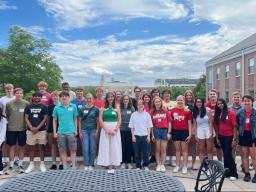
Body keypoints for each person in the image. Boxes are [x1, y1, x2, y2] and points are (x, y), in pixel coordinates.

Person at [97, 92, 122, 173]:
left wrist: (115, 129)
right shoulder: (103, 108)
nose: (110, 98)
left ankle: (114, 163)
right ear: (106, 98)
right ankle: (106, 163)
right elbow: (100, 119)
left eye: (112, 97)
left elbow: (119, 120)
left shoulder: (117, 107)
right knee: (106, 146)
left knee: (114, 146)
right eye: (109, 97)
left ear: (114, 98)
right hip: (105, 130)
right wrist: (106, 129)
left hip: (115, 130)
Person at [53, 91, 78, 170]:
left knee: (73, 150)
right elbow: (54, 120)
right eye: (62, 96)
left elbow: (75, 119)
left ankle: (73, 166)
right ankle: (64, 166)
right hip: (61, 132)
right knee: (62, 150)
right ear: (60, 98)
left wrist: (76, 129)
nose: (64, 97)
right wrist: (54, 132)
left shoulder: (73, 106)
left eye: (66, 96)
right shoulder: (57, 107)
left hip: (71, 132)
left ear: (69, 97)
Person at [214, 98, 238, 181]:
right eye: (218, 104)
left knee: (228, 154)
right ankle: (227, 172)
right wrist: (217, 138)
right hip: (221, 136)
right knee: (225, 154)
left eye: (221, 103)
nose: (220, 105)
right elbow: (216, 127)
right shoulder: (217, 114)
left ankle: (234, 173)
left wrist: (234, 139)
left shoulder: (231, 113)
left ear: (224, 103)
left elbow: (234, 126)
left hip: (229, 136)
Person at [24, 92, 48, 173]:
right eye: (35, 96)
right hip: (30, 131)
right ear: (33, 97)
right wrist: (31, 128)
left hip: (41, 131)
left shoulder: (44, 107)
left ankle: (42, 164)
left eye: (39, 96)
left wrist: (37, 128)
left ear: (41, 98)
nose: (37, 97)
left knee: (42, 148)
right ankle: (31, 164)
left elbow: (45, 118)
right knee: (31, 148)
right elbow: (26, 118)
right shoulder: (28, 106)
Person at [5, 88, 28, 173]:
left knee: (22, 146)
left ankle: (20, 165)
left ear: (23, 94)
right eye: (17, 93)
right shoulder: (9, 104)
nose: (19, 94)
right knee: (12, 146)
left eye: (20, 93)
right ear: (15, 94)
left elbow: (27, 116)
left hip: (22, 129)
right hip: (11, 128)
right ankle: (11, 166)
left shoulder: (26, 103)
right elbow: (7, 115)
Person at [170, 95, 192, 174]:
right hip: (175, 131)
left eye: (181, 100)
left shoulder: (187, 111)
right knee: (177, 150)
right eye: (178, 100)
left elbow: (190, 124)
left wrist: (190, 134)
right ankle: (177, 165)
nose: (179, 101)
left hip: (184, 132)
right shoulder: (173, 110)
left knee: (184, 150)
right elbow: (171, 121)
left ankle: (185, 166)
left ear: (184, 101)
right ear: (176, 101)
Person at [237, 95, 256, 183]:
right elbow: (237, 124)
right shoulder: (240, 112)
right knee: (244, 156)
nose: (246, 102)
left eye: (248, 101)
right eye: (245, 101)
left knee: (254, 157)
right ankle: (247, 173)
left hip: (253, 136)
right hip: (243, 135)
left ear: (252, 102)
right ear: (243, 102)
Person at [129, 99, 152, 170]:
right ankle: (138, 166)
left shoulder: (147, 114)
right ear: (137, 105)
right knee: (137, 152)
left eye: (141, 104)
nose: (140, 105)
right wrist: (133, 136)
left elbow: (149, 126)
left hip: (145, 136)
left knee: (146, 152)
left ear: (143, 105)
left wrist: (148, 136)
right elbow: (132, 127)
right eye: (139, 104)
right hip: (136, 136)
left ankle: (145, 165)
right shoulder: (133, 115)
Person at [78, 93, 99, 170]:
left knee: (93, 147)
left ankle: (91, 163)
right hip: (84, 130)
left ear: (92, 99)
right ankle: (86, 164)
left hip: (93, 130)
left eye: (90, 98)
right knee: (85, 147)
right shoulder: (82, 109)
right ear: (85, 99)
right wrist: (80, 131)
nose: (89, 100)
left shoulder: (96, 109)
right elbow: (79, 121)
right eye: (87, 98)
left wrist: (97, 131)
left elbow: (98, 121)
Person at [151, 97, 171, 172]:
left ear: (161, 102)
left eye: (159, 102)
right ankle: (158, 164)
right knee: (157, 149)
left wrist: (169, 132)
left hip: (164, 130)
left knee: (163, 149)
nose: (157, 103)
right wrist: (152, 134)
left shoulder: (166, 111)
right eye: (156, 102)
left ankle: (162, 164)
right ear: (154, 103)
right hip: (156, 130)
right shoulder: (152, 112)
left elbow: (169, 122)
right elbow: (151, 125)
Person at [193, 97, 213, 163]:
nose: (199, 103)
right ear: (195, 103)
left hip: (208, 129)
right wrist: (195, 135)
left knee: (209, 150)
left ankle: (210, 166)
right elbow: (195, 125)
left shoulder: (208, 110)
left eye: (200, 102)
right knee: (201, 150)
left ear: (203, 103)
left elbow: (210, 122)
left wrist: (210, 133)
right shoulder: (194, 112)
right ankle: (202, 166)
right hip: (200, 130)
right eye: (197, 102)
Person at [205, 89, 222, 161]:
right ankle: (209, 163)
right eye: (211, 94)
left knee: (219, 146)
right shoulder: (206, 105)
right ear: (209, 96)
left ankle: (220, 162)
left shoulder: (220, 105)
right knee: (209, 147)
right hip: (208, 128)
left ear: (217, 96)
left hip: (219, 128)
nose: (212, 95)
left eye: (214, 94)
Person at [0, 84, 15, 168]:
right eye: (7, 89)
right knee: (3, 141)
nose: (9, 90)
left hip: (14, 122)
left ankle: (14, 159)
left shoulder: (16, 98)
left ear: (13, 89)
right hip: (4, 120)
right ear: (5, 90)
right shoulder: (2, 99)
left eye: (10, 89)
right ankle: (4, 159)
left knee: (14, 141)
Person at [47, 91, 62, 170]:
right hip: (51, 129)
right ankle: (53, 163)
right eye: (53, 96)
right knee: (53, 146)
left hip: (61, 129)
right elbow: (49, 118)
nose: (55, 97)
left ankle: (61, 163)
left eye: (57, 96)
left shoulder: (62, 106)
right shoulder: (50, 106)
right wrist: (48, 128)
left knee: (61, 147)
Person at [120, 95, 135, 169]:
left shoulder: (132, 108)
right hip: (121, 130)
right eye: (124, 99)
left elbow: (134, 119)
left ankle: (128, 162)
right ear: (122, 100)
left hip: (130, 130)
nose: (125, 100)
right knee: (122, 146)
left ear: (129, 100)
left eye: (127, 99)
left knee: (129, 146)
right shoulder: (120, 108)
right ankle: (123, 162)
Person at [162, 89, 176, 167]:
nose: (167, 95)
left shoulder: (174, 103)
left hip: (173, 125)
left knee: (172, 143)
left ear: (170, 95)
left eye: (168, 93)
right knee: (163, 144)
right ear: (163, 95)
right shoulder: (161, 103)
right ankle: (164, 159)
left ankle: (172, 159)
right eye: (165, 93)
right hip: (163, 126)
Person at [184, 90, 198, 170]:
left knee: (193, 146)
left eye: (190, 95)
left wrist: (194, 128)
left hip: (193, 126)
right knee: (185, 146)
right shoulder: (183, 105)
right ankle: (185, 163)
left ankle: (194, 163)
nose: (189, 97)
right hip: (184, 127)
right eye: (187, 95)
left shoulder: (195, 105)